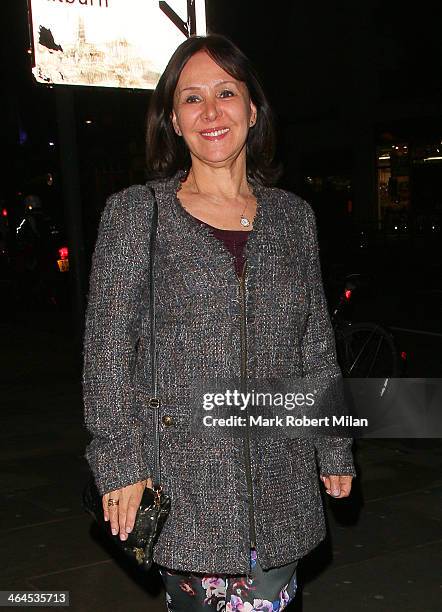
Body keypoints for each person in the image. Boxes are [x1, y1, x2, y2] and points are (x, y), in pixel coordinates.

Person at [82, 34, 356, 611]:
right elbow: (108, 353)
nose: (211, 112)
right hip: (185, 484)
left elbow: (314, 343)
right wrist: (120, 464)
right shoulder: (138, 214)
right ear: (174, 122)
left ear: (251, 111)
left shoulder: (292, 218)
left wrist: (333, 444)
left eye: (226, 93)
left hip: (281, 480)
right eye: (191, 99)